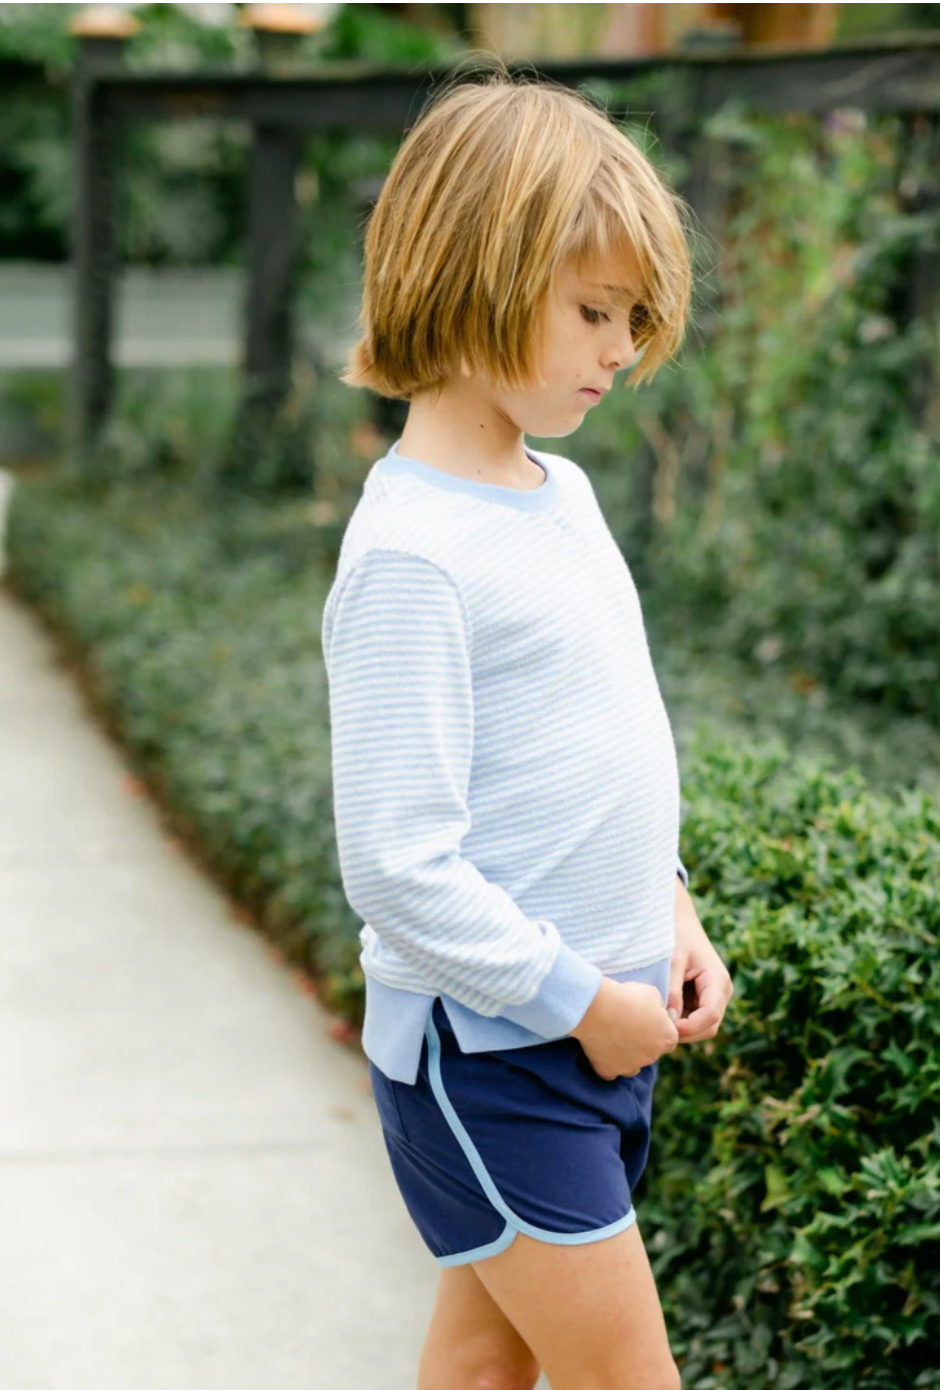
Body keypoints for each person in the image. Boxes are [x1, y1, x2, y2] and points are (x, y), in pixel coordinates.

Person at [321, 58, 734, 1390]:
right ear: (479, 274)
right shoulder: (412, 556)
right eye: (593, 310)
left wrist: (670, 908)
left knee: (486, 1364)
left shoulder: (559, 493)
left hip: (593, 1022)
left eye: (633, 315)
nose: (623, 348)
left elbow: (607, 739)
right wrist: (580, 1001)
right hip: (496, 1053)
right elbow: (398, 864)